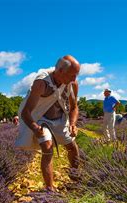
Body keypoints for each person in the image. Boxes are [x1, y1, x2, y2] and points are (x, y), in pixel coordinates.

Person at [15, 55, 80, 192]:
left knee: (72, 147)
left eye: (76, 75)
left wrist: (73, 124)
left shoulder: (72, 84)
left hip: (60, 118)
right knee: (47, 148)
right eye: (72, 75)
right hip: (40, 118)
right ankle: (50, 190)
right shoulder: (41, 83)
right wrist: (34, 127)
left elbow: (74, 107)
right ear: (60, 71)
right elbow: (26, 112)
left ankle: (75, 179)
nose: (74, 79)